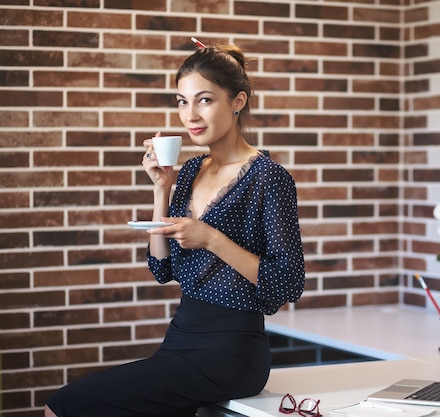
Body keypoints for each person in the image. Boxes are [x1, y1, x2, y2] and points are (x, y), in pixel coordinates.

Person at [44, 41, 306, 417]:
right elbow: (162, 270)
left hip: (232, 351)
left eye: (204, 100)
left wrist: (212, 239)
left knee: (61, 408)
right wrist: (162, 189)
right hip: (180, 339)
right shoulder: (189, 174)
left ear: (238, 101)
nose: (190, 115)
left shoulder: (268, 178)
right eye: (182, 102)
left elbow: (287, 284)